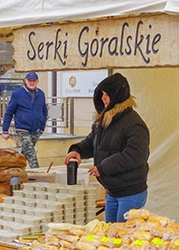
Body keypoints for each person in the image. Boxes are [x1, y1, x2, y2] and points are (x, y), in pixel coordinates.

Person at [64, 73, 150, 223]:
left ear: (117, 96)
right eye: (101, 94)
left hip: (131, 193)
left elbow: (136, 154)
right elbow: (91, 142)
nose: (103, 98)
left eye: (107, 95)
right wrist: (77, 150)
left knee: (121, 238)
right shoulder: (104, 122)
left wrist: (104, 167)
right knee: (109, 235)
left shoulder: (134, 124)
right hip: (112, 192)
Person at [2, 72, 48, 169]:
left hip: (36, 129)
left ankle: (17, 171)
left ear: (37, 82)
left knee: (25, 154)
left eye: (34, 81)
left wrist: (42, 128)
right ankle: (38, 174)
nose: (32, 83)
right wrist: (5, 130)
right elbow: (9, 112)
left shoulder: (41, 94)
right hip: (22, 128)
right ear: (25, 81)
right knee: (31, 154)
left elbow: (44, 111)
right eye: (29, 80)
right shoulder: (17, 94)